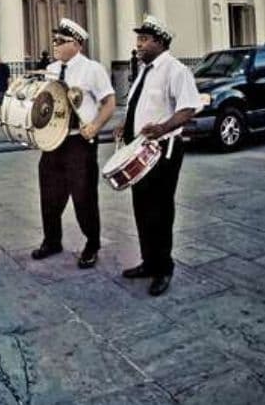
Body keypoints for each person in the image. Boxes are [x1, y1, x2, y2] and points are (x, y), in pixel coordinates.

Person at [116, 15, 202, 297]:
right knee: (142, 208)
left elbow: (188, 108)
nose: (138, 45)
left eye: (144, 40)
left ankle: (164, 268)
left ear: (160, 42)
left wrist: (163, 128)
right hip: (140, 152)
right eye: (138, 39)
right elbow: (141, 105)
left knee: (160, 211)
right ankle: (149, 262)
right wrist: (126, 124)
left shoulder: (175, 70)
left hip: (163, 151)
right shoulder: (145, 71)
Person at [32, 18, 117, 269]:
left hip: (79, 141)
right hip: (54, 141)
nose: (55, 44)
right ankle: (52, 240)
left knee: (83, 195)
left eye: (61, 41)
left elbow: (109, 102)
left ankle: (92, 244)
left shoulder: (92, 69)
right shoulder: (50, 68)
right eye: (54, 40)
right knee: (49, 193)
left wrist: (95, 126)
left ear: (77, 44)